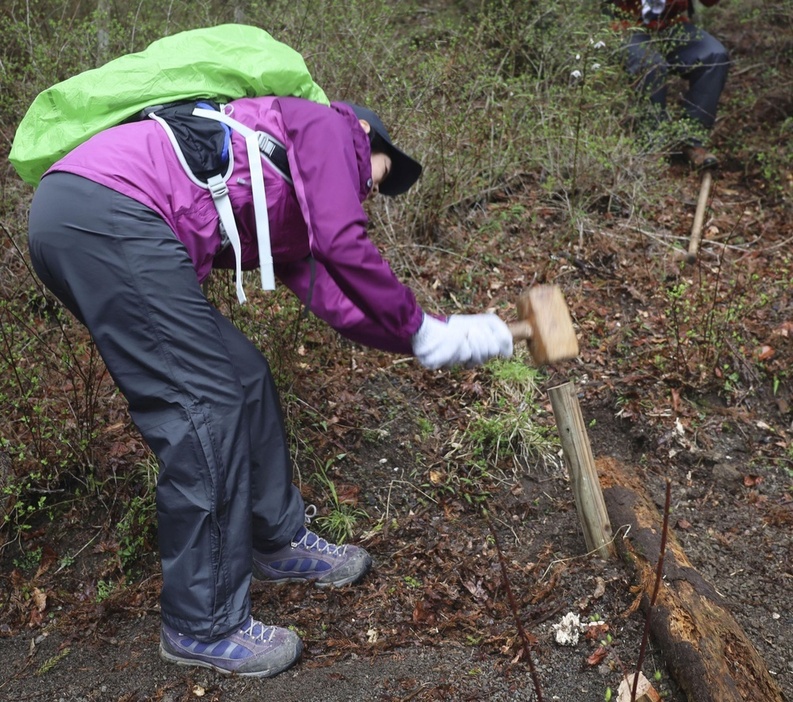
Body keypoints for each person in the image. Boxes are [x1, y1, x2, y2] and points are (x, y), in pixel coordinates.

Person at [26, 95, 514, 677]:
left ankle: (277, 541)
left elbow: (336, 299)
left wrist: (431, 337)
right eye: (382, 175)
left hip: (90, 215)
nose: (372, 192)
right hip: (107, 211)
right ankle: (201, 625)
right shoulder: (326, 126)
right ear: (368, 137)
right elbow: (343, 240)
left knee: (243, 375)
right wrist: (419, 325)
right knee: (205, 404)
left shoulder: (279, 192)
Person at [607, 0, 730, 168]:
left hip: (671, 25)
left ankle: (692, 141)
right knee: (651, 64)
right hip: (626, 25)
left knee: (715, 56)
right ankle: (652, 145)